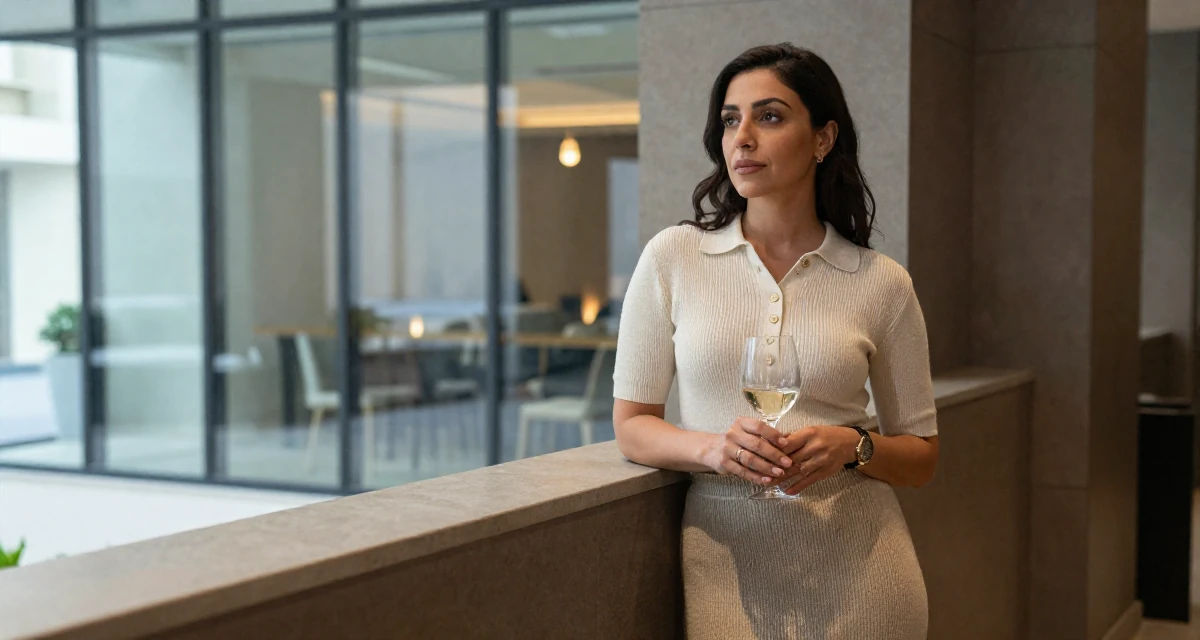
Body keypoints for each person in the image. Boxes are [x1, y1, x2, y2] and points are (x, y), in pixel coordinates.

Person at [612, 43, 939, 639]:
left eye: (769, 116)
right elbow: (632, 423)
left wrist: (853, 445)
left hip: (864, 575)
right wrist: (712, 450)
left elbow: (921, 458)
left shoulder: (882, 283)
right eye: (729, 120)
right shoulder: (673, 258)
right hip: (725, 565)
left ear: (823, 138)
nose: (742, 138)